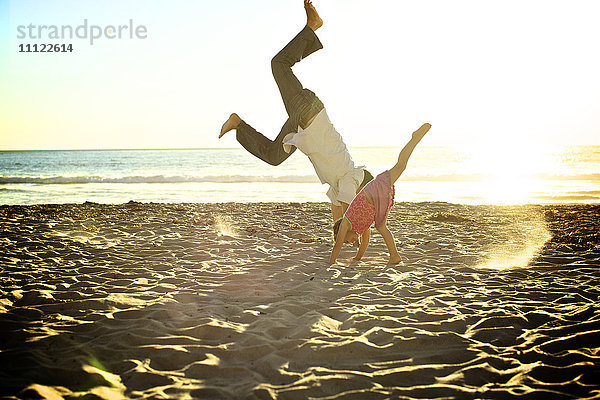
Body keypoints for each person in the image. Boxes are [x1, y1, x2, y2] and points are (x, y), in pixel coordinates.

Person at [219, 0, 373, 221]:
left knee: (273, 156)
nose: (360, 200)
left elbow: (339, 214)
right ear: (361, 188)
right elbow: (347, 211)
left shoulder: (340, 183)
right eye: (363, 197)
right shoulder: (352, 178)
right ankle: (312, 27)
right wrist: (354, 230)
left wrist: (340, 234)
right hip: (307, 112)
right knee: (278, 64)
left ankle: (238, 124)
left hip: (301, 126)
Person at [329, 123, 431, 265]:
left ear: (343, 231)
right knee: (381, 226)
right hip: (377, 198)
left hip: (375, 190)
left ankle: (414, 139)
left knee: (400, 166)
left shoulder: (346, 221)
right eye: (350, 243)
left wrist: (331, 262)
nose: (352, 242)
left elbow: (337, 245)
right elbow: (365, 242)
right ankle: (394, 256)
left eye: (348, 240)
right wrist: (357, 258)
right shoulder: (361, 227)